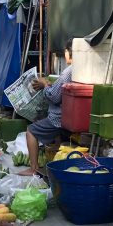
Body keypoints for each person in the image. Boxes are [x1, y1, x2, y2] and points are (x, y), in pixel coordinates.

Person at [23, 46, 74, 174]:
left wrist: (44, 85)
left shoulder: (68, 72)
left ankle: (33, 168)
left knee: (31, 131)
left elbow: (54, 96)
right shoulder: (81, 69)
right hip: (72, 114)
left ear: (68, 52)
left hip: (60, 118)